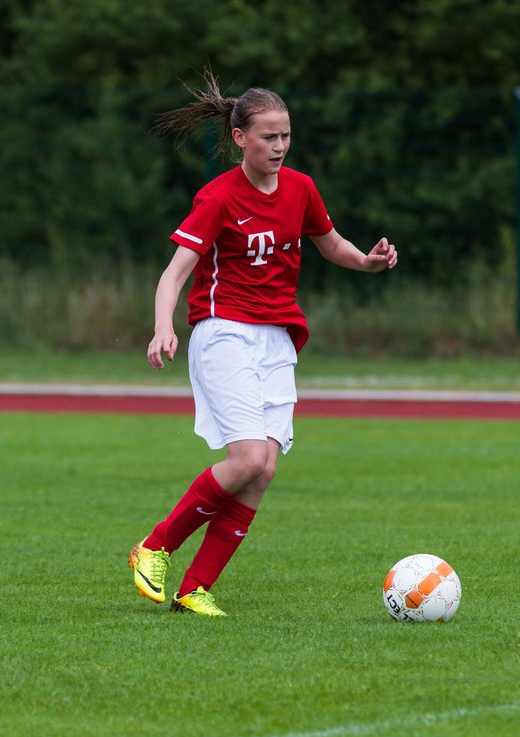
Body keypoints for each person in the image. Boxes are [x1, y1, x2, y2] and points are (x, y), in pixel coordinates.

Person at [129, 72, 398, 616]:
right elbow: (173, 273)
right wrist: (163, 326)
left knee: (265, 469)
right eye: (268, 137)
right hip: (222, 330)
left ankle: (195, 587)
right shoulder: (218, 196)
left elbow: (332, 244)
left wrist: (365, 262)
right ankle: (154, 546)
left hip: (278, 339)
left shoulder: (300, 188)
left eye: (286, 136)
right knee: (248, 458)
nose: (279, 147)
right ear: (239, 139)